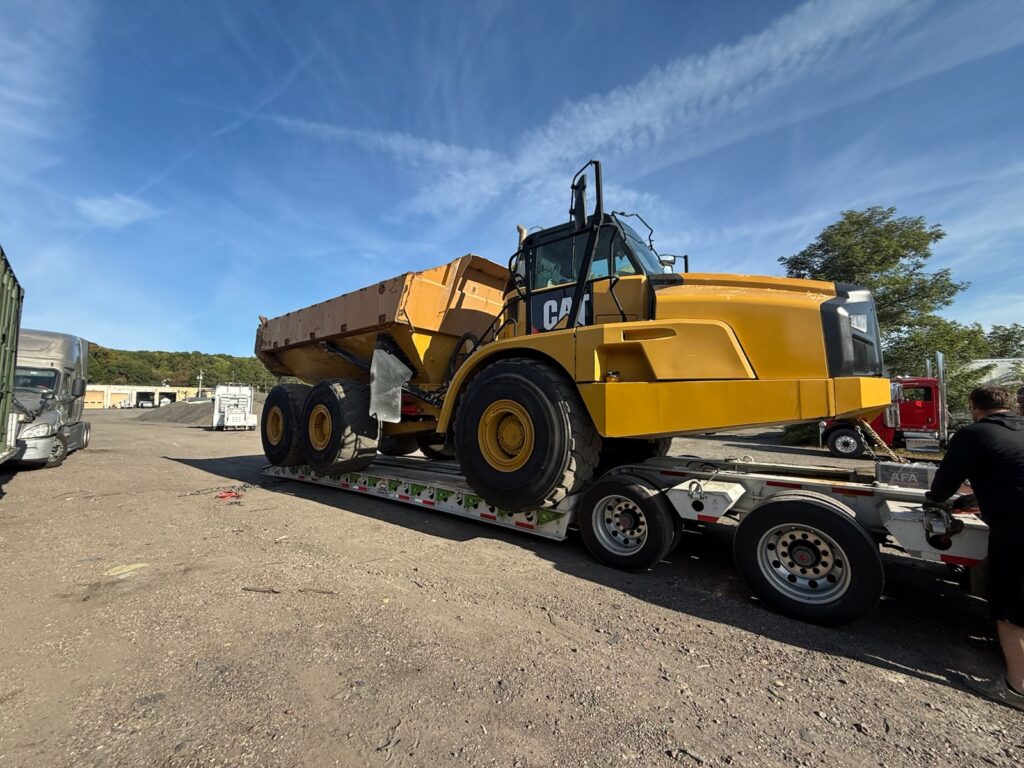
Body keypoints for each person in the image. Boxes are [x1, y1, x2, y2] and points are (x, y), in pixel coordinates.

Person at [926, 385, 1024, 711]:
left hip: (1017, 534)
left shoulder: (973, 434)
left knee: (1011, 611)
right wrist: (975, 499)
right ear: (1009, 405)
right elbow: (1012, 474)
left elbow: (941, 487)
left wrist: (936, 503)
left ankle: (1017, 689)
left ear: (973, 407)